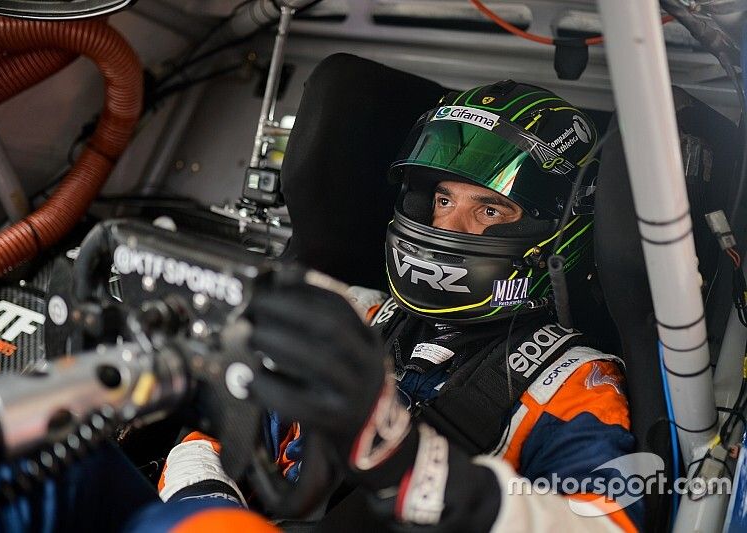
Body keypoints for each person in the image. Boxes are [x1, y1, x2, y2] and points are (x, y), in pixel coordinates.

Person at [243, 80, 642, 532]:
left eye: (489, 210)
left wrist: (422, 474)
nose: (447, 226)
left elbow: (607, 524)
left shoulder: (574, 384)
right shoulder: (352, 317)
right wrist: (200, 491)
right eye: (443, 199)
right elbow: (227, 426)